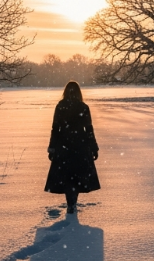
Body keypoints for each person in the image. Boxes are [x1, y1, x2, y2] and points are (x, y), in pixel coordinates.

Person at [45, 81, 101, 214]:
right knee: (77, 176)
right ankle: (73, 203)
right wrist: (93, 147)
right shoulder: (83, 107)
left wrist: (52, 147)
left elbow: (55, 128)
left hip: (64, 145)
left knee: (67, 176)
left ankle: (70, 203)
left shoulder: (60, 107)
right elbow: (88, 129)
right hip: (80, 145)